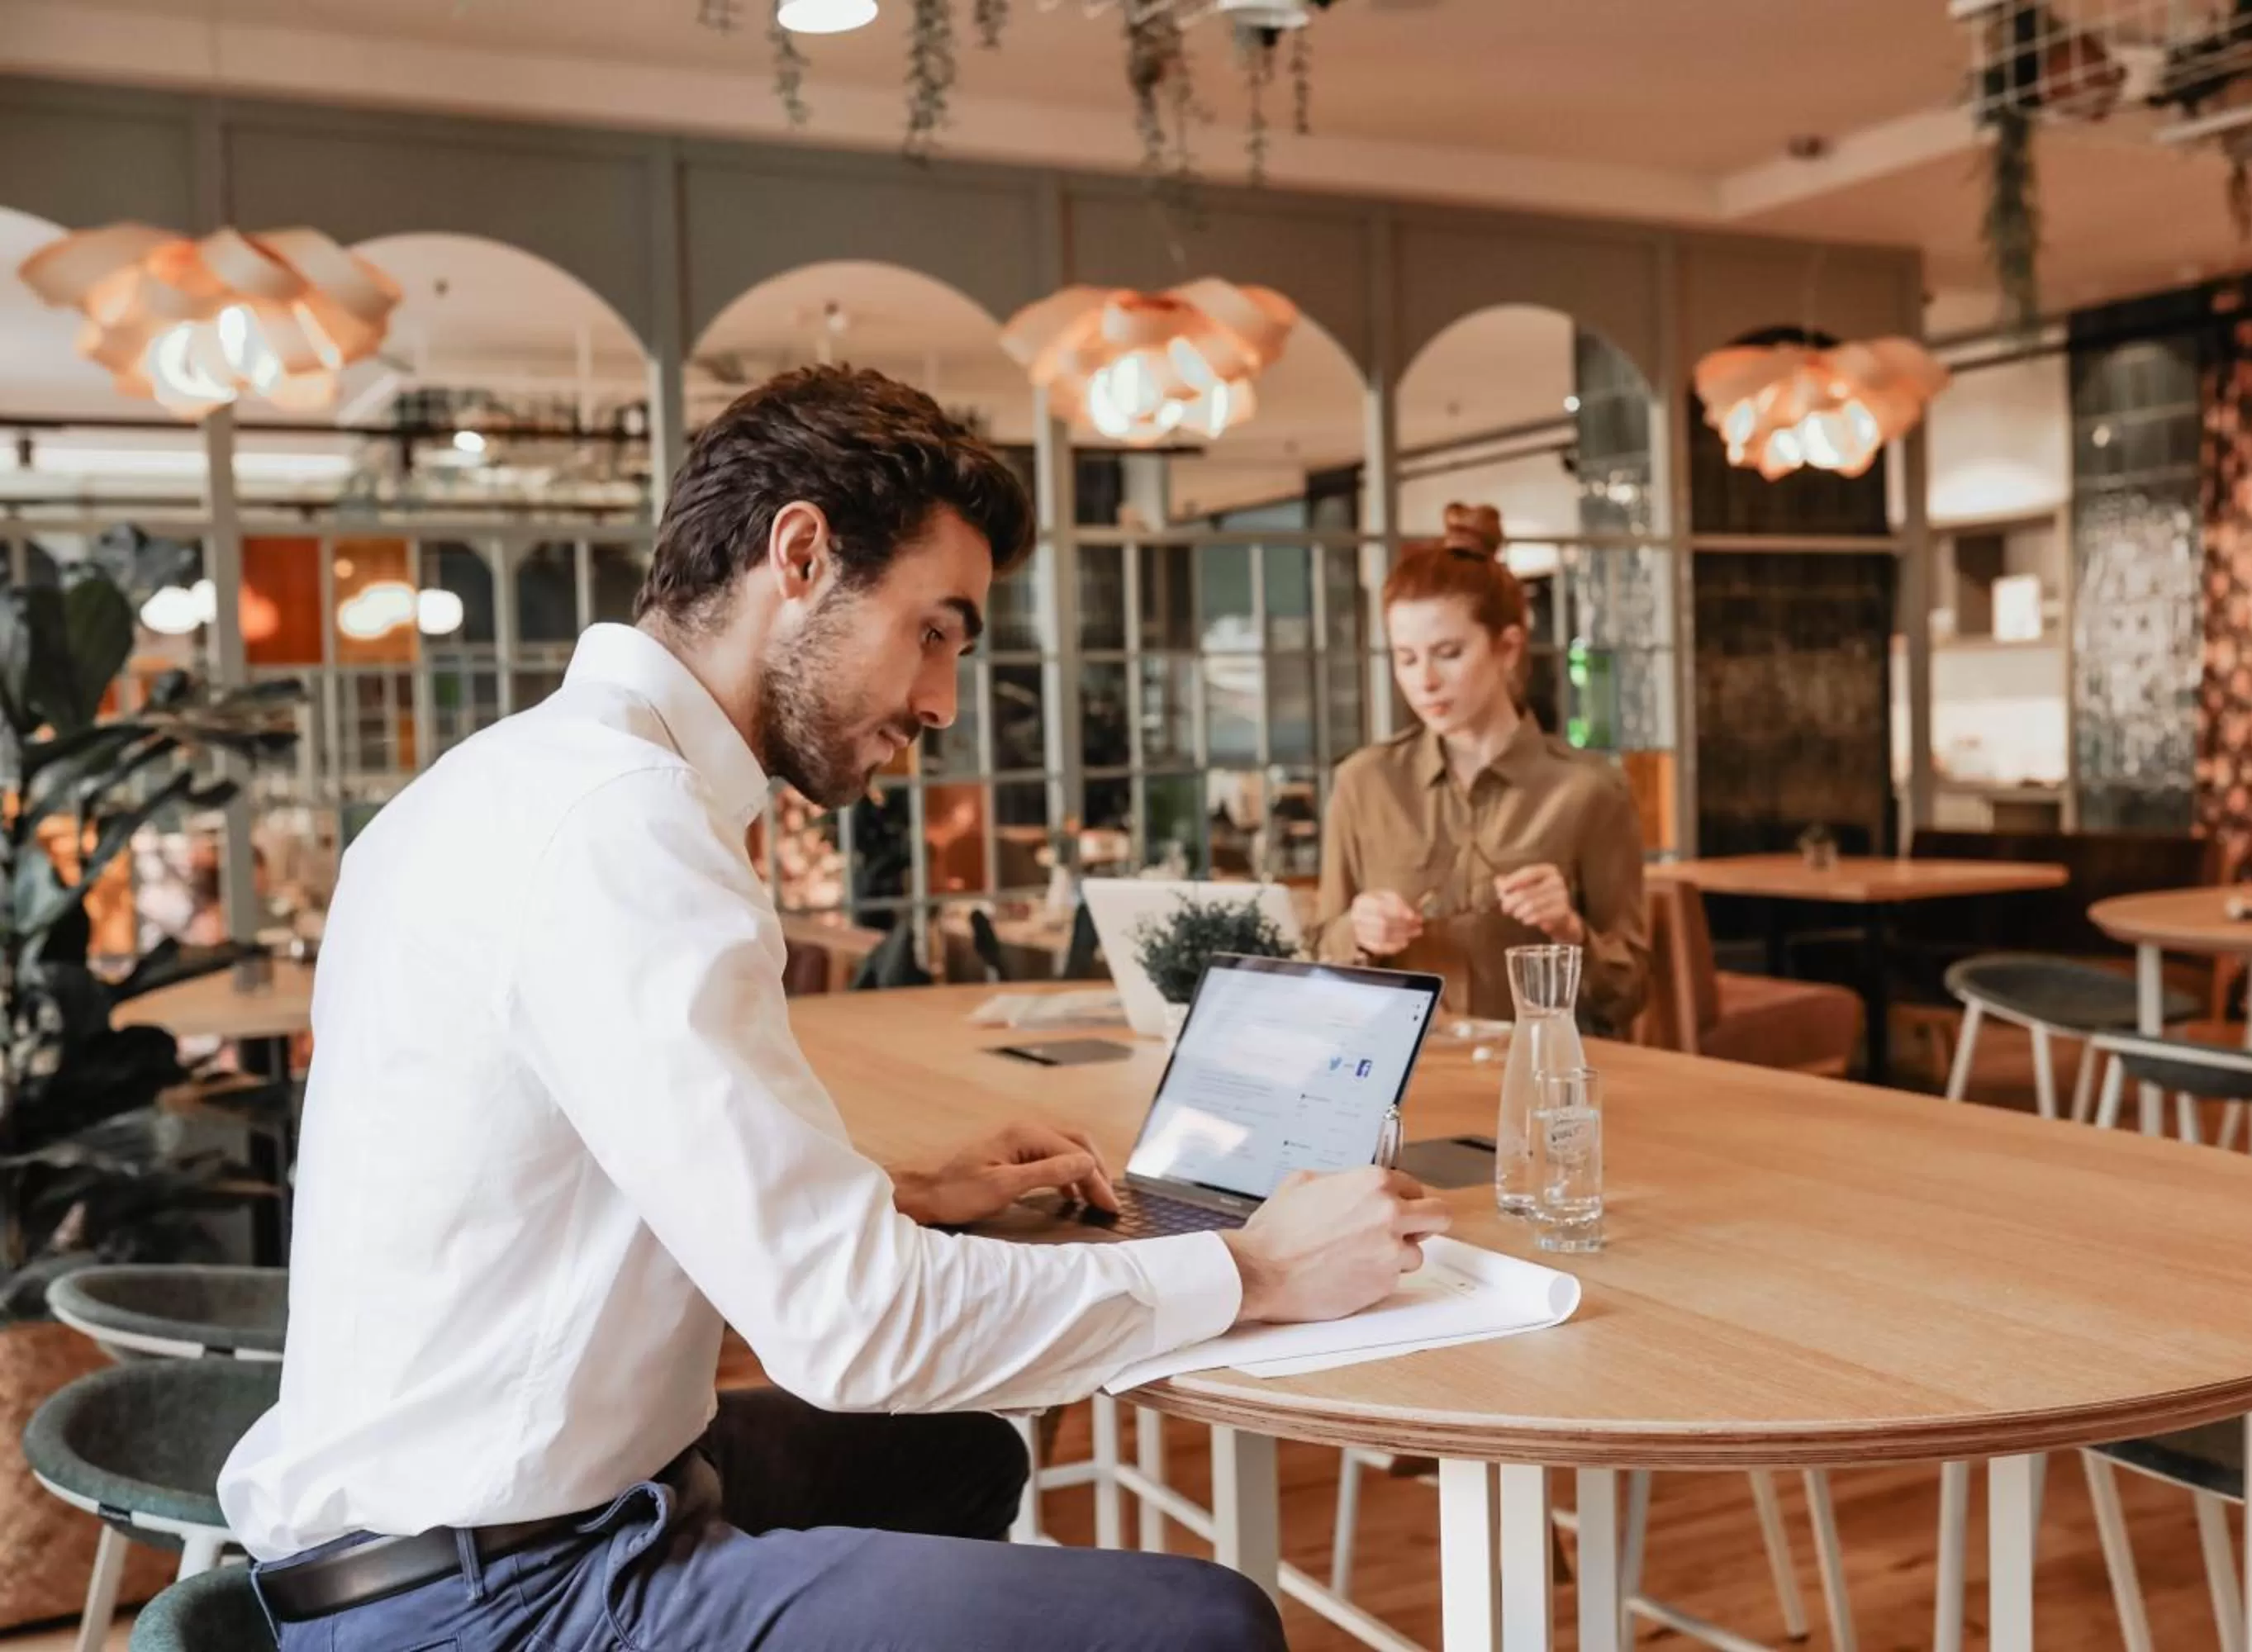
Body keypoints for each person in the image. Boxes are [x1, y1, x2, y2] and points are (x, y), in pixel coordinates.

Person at [218, 366, 1451, 1651]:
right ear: (799, 556)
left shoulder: (508, 782)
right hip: (494, 1597)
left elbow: (575, 1154)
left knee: (957, 1461)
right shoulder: (624, 827)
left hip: (442, 1511)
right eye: (935, 630)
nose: (942, 702)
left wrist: (899, 1196)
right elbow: (850, 1332)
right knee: (1204, 1625)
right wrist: (1254, 1269)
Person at [1315, 504, 1650, 1034]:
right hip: (1400, 1082)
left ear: (1508, 647)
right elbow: (1313, 964)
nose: (1424, 680)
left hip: (1539, 1081)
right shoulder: (1364, 782)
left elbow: (1627, 998)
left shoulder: (1590, 791)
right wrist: (1355, 932)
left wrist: (1568, 930)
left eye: (1447, 652)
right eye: (1405, 657)